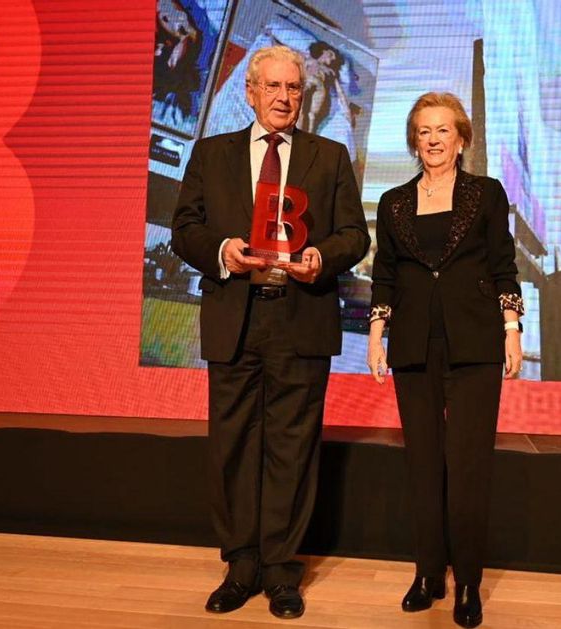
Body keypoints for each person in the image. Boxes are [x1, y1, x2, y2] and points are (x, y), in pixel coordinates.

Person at [171, 44, 370, 619]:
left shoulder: (330, 157)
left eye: (294, 89)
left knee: (292, 448)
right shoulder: (211, 155)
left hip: (299, 315)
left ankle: (283, 571)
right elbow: (185, 229)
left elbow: (354, 236)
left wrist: (320, 257)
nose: (284, 98)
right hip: (237, 314)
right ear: (251, 92)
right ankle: (240, 563)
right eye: (274, 87)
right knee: (233, 444)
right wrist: (223, 251)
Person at [365, 92, 524, 629]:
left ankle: (469, 584)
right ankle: (428, 572)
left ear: (461, 139)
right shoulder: (392, 203)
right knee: (423, 464)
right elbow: (384, 272)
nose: (432, 139)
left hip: (476, 344)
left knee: (469, 466)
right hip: (413, 344)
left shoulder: (487, 194)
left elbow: (505, 263)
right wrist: (376, 333)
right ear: (415, 139)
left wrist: (511, 328)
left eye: (442, 130)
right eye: (423, 131)